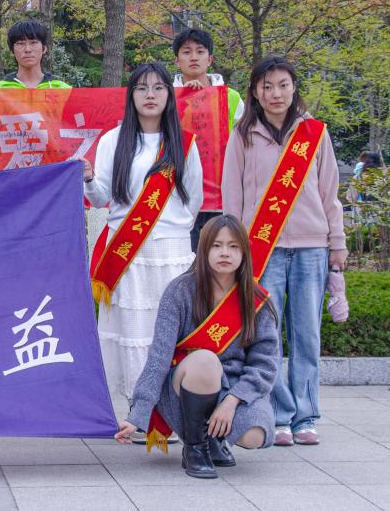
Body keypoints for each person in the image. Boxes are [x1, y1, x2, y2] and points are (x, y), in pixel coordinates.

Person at [222, 55, 346, 446]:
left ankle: (306, 416)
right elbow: (233, 195)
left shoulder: (314, 133)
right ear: (255, 92)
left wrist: (337, 244)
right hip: (263, 248)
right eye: (267, 86)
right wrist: (234, 246)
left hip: (311, 247)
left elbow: (330, 193)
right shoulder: (243, 135)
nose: (276, 93)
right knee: (267, 335)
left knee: (307, 334)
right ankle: (278, 414)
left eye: (283, 85)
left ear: (294, 88)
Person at [80, 63, 204, 437]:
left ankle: (174, 414)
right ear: (131, 95)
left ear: (169, 95)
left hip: (170, 254)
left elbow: (193, 201)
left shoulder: (184, 143)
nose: (150, 95)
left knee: (171, 335)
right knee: (135, 334)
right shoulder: (113, 140)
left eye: (158, 87)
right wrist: (88, 179)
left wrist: (167, 230)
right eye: (141, 88)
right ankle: (142, 416)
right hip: (127, 255)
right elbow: (101, 197)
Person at [114, 215, 278, 478]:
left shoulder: (255, 300)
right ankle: (195, 447)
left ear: (244, 252)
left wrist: (232, 401)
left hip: (233, 387)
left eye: (233, 246)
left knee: (254, 435)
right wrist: (138, 413)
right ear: (203, 250)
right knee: (206, 361)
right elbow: (159, 357)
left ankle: (214, 439)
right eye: (216, 245)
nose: (225, 253)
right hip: (184, 386)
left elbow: (265, 365)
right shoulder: (180, 291)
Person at [170, 28, 244, 251]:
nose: (194, 57)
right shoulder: (166, 97)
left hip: (221, 195)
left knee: (219, 258)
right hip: (178, 194)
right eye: (186, 52)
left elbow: (244, 140)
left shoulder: (230, 97)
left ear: (210, 59)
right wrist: (186, 99)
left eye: (200, 52)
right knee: (184, 259)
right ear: (177, 60)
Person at [0, 20, 72, 89]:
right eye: (20, 44)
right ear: (12, 51)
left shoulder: (63, 90)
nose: (27, 49)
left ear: (44, 48)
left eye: (33, 42)